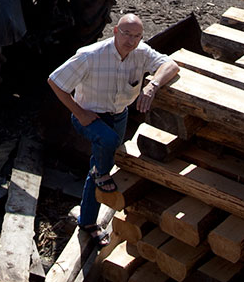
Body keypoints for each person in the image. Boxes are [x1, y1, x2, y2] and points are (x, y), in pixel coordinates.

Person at [48, 13, 181, 245]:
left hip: (119, 115)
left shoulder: (141, 53)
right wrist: (80, 112)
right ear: (116, 32)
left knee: (100, 165)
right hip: (89, 117)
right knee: (107, 145)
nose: (131, 41)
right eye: (126, 34)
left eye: (137, 36)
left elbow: (171, 65)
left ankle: (87, 221)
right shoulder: (90, 56)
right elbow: (55, 81)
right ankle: (101, 176)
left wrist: (153, 85)